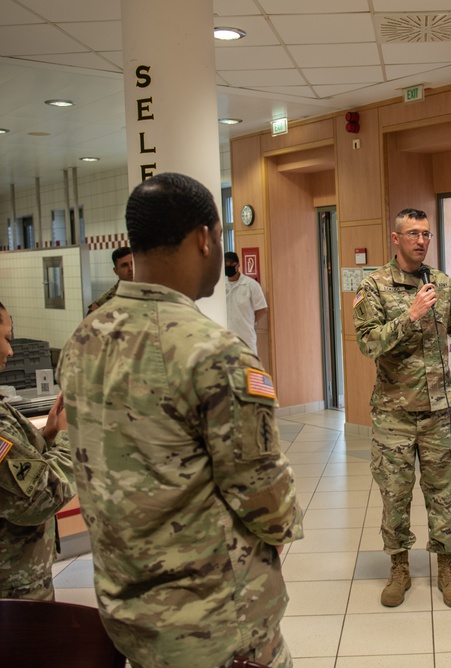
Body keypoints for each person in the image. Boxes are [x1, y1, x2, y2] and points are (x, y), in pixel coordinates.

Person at [57, 173, 303, 668]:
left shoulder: (84, 339)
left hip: (128, 609)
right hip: (214, 624)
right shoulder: (213, 353)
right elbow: (264, 499)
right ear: (205, 238)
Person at [353, 208, 451, 609]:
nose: (421, 240)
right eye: (412, 234)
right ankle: (399, 568)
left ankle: (446, 567)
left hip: (439, 411)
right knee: (395, 494)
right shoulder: (373, 286)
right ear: (395, 238)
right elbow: (368, 343)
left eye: (426, 233)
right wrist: (409, 316)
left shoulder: (441, 283)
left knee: (442, 494)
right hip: (394, 414)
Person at [0, 291, 75, 668]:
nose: (9, 351)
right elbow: (34, 500)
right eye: (6, 338)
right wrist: (71, 438)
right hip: (1, 590)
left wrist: (47, 437)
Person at [224, 251, 269, 355]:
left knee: (249, 369)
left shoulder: (251, 285)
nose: (228, 266)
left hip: (246, 338)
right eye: (225, 263)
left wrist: (251, 320)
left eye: (231, 263)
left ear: (238, 265)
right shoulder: (221, 285)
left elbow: (262, 309)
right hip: (226, 339)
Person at [87, 246, 133, 313]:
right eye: (124, 265)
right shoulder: (104, 303)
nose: (130, 268)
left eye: (133, 263)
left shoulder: (147, 291)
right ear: (116, 271)